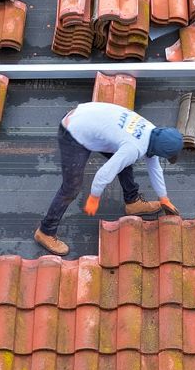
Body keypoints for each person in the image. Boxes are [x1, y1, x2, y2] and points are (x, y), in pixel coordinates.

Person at [36, 101, 183, 255]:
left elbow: (154, 166)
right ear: (160, 149)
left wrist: (164, 198)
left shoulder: (152, 131)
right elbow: (103, 174)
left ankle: (133, 202)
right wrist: (94, 197)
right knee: (71, 188)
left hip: (90, 118)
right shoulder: (133, 147)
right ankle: (46, 231)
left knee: (124, 161)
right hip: (73, 132)